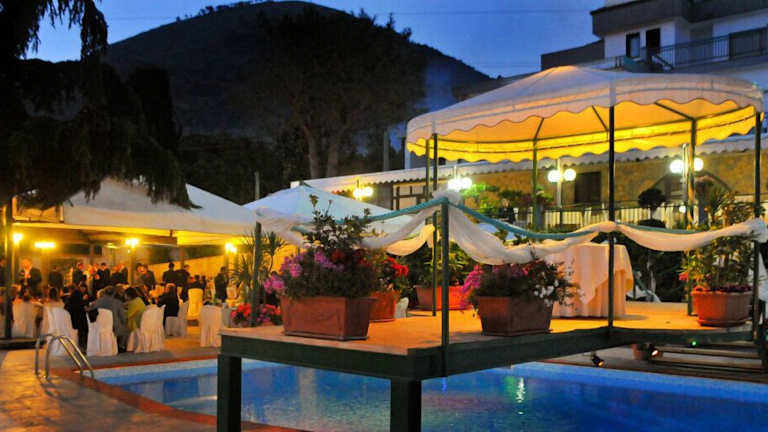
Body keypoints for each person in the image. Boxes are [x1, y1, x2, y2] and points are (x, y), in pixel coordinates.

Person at [86, 285, 127, 351]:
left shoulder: (96, 302)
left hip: (99, 325)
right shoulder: (117, 302)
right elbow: (123, 317)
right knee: (125, 327)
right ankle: (120, 346)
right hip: (113, 326)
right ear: (114, 293)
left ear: (104, 293)